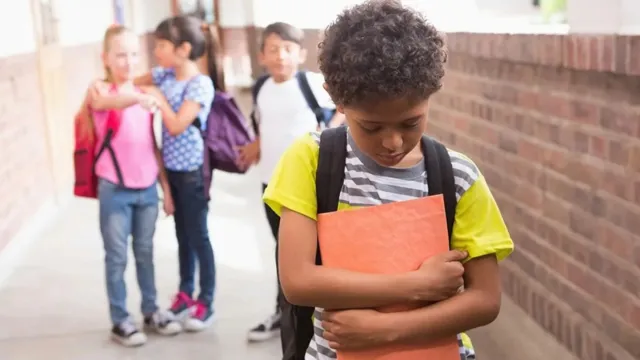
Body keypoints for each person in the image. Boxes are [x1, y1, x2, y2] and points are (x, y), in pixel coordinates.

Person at [263, 1, 515, 359]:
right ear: (339, 102)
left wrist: (385, 331)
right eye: (372, 126)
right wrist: (416, 285)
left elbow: (485, 300)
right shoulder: (312, 160)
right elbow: (298, 281)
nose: (393, 142)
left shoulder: (458, 177)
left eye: (411, 122)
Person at [95, 15, 219, 332]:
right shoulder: (164, 74)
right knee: (182, 237)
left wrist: (158, 99)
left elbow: (177, 125)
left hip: (192, 174)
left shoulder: (200, 84)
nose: (155, 52)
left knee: (198, 236)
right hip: (172, 174)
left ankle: (205, 301)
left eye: (161, 46)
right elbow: (132, 81)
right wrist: (112, 84)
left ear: (183, 49)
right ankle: (184, 294)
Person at [239, 22, 345, 344]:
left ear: (300, 54)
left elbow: (341, 110)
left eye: (287, 49)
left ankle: (322, 313)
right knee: (282, 252)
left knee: (314, 253)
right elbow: (264, 123)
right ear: (262, 56)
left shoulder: (310, 84)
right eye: (273, 49)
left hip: (307, 186)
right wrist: (255, 145)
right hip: (270, 184)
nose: (280, 56)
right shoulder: (261, 88)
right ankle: (285, 314)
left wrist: (326, 138)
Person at [82, 24, 182, 347]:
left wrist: (165, 189)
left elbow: (152, 146)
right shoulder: (100, 91)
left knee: (145, 252)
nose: (128, 61)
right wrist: (140, 98)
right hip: (114, 188)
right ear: (106, 58)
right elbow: (107, 104)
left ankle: (151, 311)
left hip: (146, 189)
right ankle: (120, 320)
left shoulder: (145, 96)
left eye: (134, 54)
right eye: (120, 54)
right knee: (116, 257)